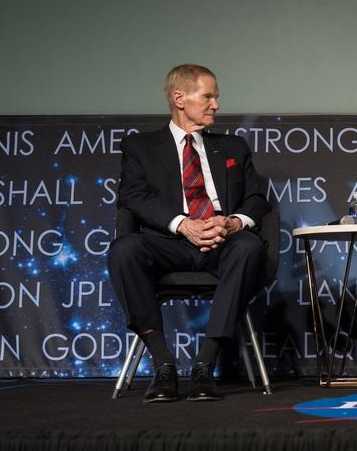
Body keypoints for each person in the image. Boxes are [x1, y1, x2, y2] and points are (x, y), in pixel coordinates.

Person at [108, 64, 271, 402]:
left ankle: (204, 363)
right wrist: (184, 224)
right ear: (179, 98)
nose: (216, 105)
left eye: (216, 98)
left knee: (249, 247)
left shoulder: (233, 147)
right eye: (208, 96)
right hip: (170, 244)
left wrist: (232, 222)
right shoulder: (140, 146)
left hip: (222, 243)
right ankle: (163, 364)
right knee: (125, 249)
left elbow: (256, 199)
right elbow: (133, 196)